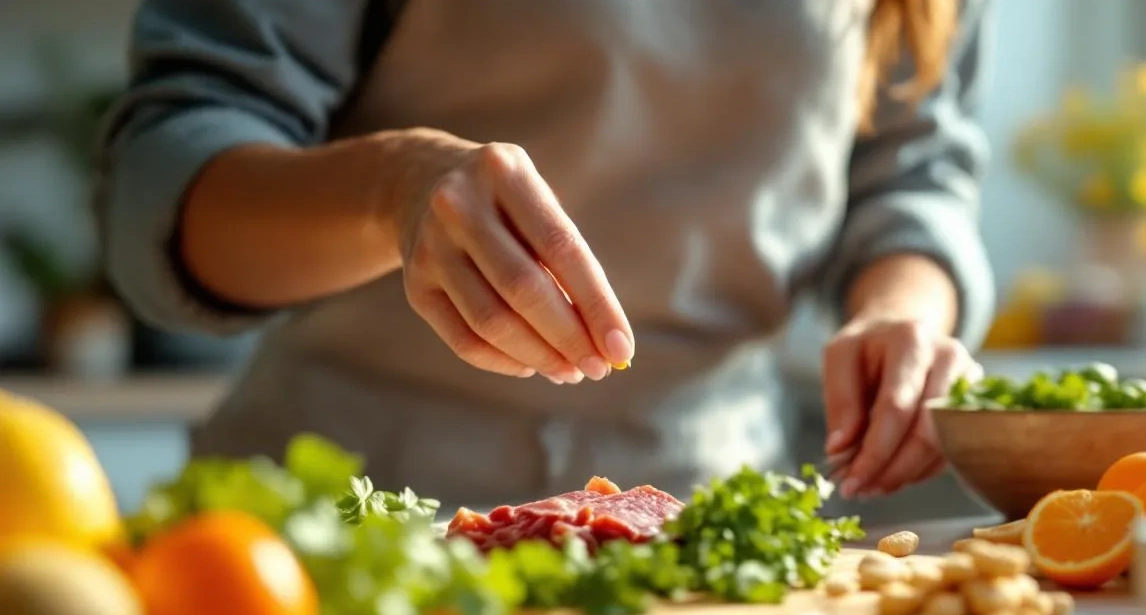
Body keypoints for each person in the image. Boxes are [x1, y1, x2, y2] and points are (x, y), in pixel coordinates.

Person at [96, 0, 994, 507]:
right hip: (339, 524)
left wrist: (900, 316)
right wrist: (391, 191)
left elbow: (911, 173)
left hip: (702, 530)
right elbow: (163, 183)